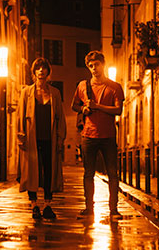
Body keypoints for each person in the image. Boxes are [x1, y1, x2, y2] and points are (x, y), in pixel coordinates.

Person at [71, 50, 125, 219]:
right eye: (91, 66)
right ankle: (89, 208)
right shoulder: (82, 86)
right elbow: (75, 106)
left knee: (112, 173)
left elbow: (118, 110)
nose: (94, 68)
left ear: (103, 64)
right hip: (88, 135)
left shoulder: (115, 87)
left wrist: (97, 106)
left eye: (97, 65)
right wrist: (84, 108)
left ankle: (113, 209)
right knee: (88, 173)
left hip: (108, 136)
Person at [17, 57, 66, 219]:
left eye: (44, 68)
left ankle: (47, 205)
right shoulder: (26, 93)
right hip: (31, 139)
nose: (41, 71)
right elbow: (20, 116)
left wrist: (60, 138)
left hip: (49, 139)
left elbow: (60, 117)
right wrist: (21, 136)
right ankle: (34, 205)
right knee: (32, 171)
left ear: (48, 72)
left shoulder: (55, 93)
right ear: (34, 72)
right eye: (38, 68)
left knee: (49, 171)